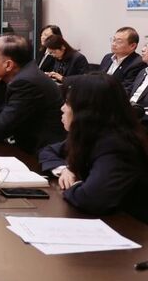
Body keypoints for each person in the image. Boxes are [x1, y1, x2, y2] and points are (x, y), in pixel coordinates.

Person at [39, 73, 148, 223]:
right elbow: (48, 151)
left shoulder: (117, 145)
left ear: (87, 110)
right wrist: (65, 169)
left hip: (129, 226)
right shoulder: (92, 134)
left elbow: (91, 199)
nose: (62, 108)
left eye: (68, 103)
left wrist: (75, 183)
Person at [0, 34, 65, 153]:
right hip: (19, 147)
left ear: (8, 65)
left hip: (39, 155)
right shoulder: (6, 78)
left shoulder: (27, 82)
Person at [91, 27, 146, 91]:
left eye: (119, 41)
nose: (113, 44)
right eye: (114, 40)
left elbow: (126, 89)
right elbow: (97, 79)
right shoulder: (107, 57)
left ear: (132, 46)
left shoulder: (137, 63)